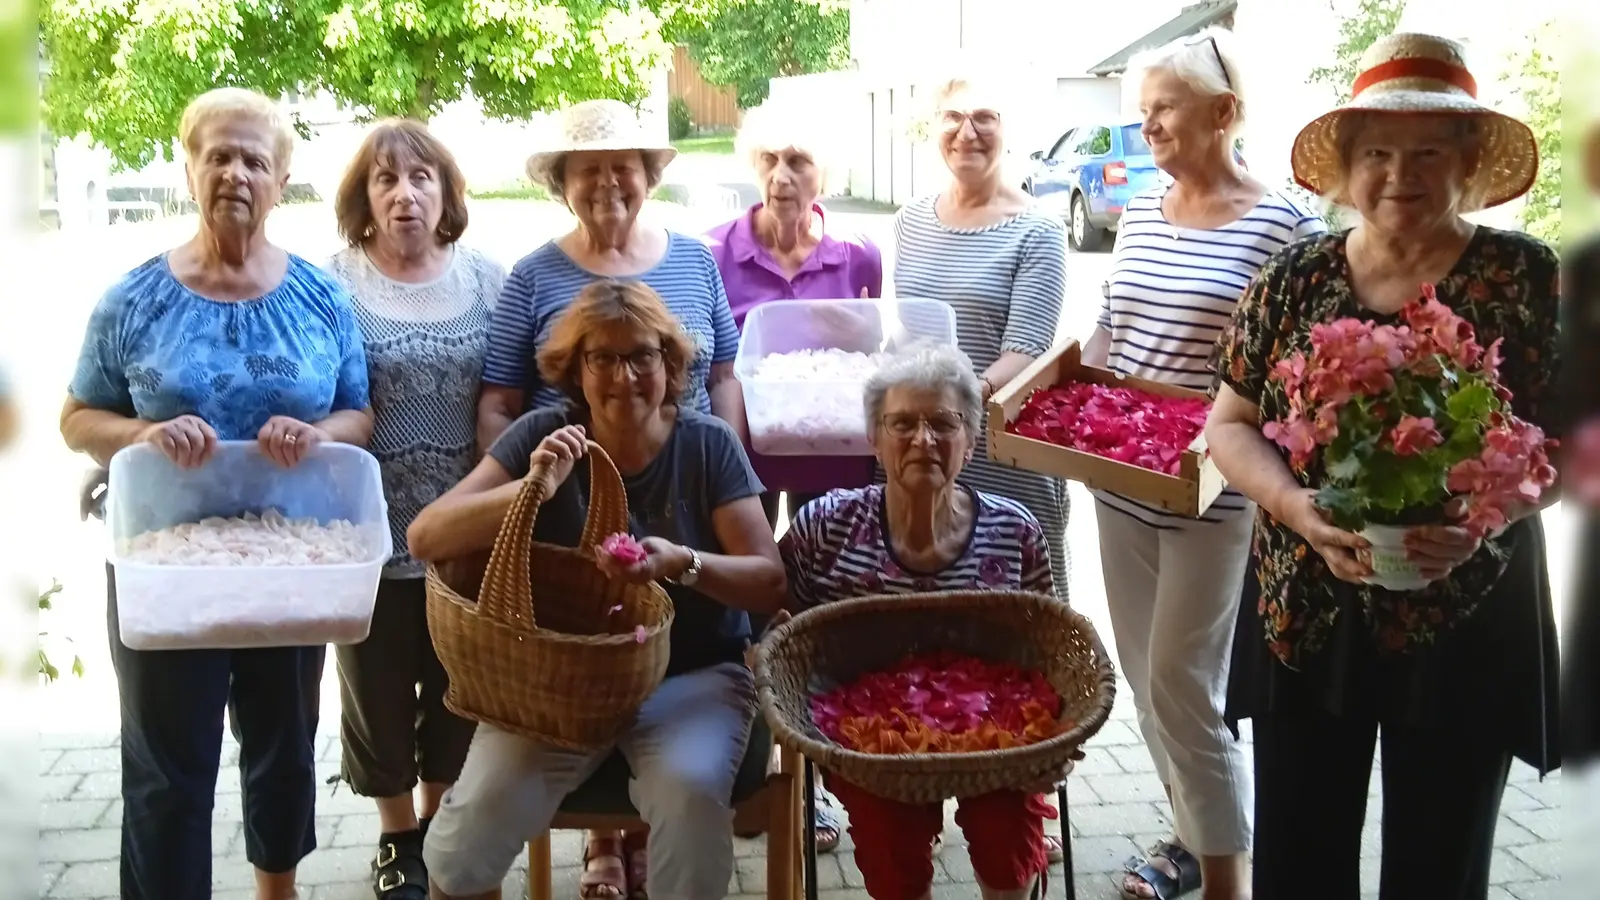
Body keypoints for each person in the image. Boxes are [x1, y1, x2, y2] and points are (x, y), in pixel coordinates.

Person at [1203, 33, 1560, 900]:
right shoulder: (1293, 277)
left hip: (1466, 620)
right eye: (1377, 153)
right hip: (1308, 611)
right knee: (1298, 861)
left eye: (1429, 152)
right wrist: (1296, 508)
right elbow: (1231, 426)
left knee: (1441, 867)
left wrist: (1487, 516)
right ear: (1347, 167)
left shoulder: (1525, 275)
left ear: (1467, 161)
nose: (1401, 175)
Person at [58, 87, 374, 900]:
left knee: (284, 745)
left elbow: (358, 412)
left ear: (281, 182)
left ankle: (278, 891)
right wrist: (142, 435)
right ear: (190, 169)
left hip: (293, 560)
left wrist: (316, 434)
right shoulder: (133, 300)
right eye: (219, 156)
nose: (236, 173)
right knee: (166, 768)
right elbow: (76, 417)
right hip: (164, 566)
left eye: (255, 161)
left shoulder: (320, 297)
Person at [408, 280, 787, 900]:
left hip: (691, 678)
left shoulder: (705, 444)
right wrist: (533, 487)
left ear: (669, 363)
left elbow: (768, 582)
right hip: (557, 685)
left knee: (690, 798)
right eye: (602, 357)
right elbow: (426, 536)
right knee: (465, 839)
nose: (624, 375)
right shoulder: (545, 434)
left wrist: (684, 563)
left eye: (642, 355)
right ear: (576, 369)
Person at [1080, 28, 1324, 900]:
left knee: (1184, 685)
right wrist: (1065, 394)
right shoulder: (1144, 207)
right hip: (1121, 482)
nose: (1147, 126)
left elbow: (1302, 377)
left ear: (1223, 112)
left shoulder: (1286, 226)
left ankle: (1228, 873)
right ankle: (1194, 835)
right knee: (1147, 685)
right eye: (1142, 110)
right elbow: (1113, 322)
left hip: (1211, 495)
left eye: (1164, 109)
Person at [778, 343, 1063, 900]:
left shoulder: (1015, 532)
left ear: (971, 440)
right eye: (902, 423)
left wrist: (1053, 743)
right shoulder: (825, 528)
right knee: (889, 840)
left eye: (943, 423)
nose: (923, 439)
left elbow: (1050, 653)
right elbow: (784, 635)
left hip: (997, 741)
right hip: (870, 747)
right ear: (874, 439)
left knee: (1006, 835)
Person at [323, 118, 507, 899]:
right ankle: (396, 836)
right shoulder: (332, 284)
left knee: (459, 689)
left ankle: (438, 824)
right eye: (386, 179)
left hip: (464, 535)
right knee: (377, 691)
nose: (405, 194)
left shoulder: (489, 281)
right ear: (364, 197)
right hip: (366, 531)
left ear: (446, 192)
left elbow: (508, 396)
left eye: (421, 177)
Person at [702, 100, 884, 857]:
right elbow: (715, 365)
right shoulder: (715, 252)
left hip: (835, 460)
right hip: (745, 464)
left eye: (799, 161)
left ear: (823, 175)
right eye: (770, 160)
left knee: (821, 617)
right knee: (745, 614)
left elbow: (871, 353)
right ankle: (750, 770)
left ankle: (817, 782)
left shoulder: (858, 255)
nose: (783, 175)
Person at [476, 99, 743, 457]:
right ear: (563, 185)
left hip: (692, 478)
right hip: (573, 483)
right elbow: (499, 405)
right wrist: (521, 484)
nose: (607, 182)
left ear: (648, 177)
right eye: (588, 170)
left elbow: (724, 378)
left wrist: (726, 464)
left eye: (622, 167)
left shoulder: (696, 260)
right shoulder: (532, 277)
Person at [890, 77, 1069, 600]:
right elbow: (907, 333)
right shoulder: (910, 221)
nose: (967, 132)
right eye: (953, 116)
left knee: (1019, 615)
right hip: (924, 449)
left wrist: (952, 407)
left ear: (1009, 130)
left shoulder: (1038, 230)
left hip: (1001, 452)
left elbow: (1025, 353)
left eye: (984, 118)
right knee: (916, 603)